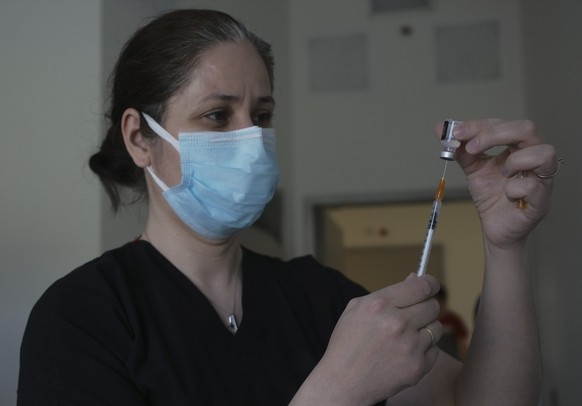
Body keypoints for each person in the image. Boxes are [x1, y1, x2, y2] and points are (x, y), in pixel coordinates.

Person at [17, 8, 558, 405]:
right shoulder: (83, 319)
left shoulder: (316, 297)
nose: (251, 139)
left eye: (263, 114)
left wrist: (504, 245)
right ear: (139, 138)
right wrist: (335, 392)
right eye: (217, 116)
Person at [435, 285, 469, 360]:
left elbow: (462, 345)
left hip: (452, 361)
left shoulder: (454, 320)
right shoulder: (425, 322)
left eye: (439, 301)